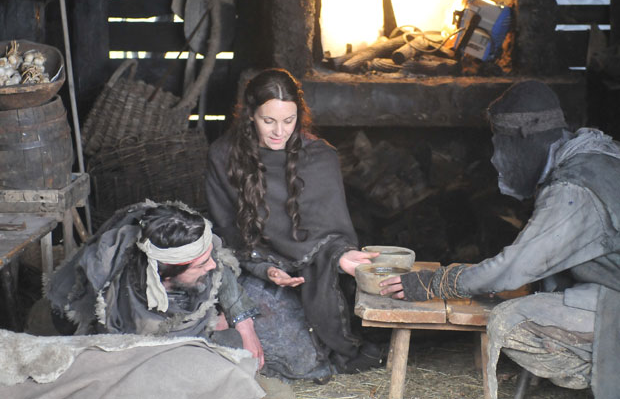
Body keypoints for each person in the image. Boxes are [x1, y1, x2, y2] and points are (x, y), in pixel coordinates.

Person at [380, 80, 620, 399]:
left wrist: (436, 282)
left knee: (509, 320)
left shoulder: (574, 190)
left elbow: (513, 269)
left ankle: (600, 371)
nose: (497, 157)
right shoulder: (595, 152)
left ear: (522, 139)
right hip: (609, 282)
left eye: (502, 143)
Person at [205, 68, 383, 378]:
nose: (279, 132)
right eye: (268, 121)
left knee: (309, 352)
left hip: (316, 278)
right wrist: (266, 269)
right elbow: (227, 235)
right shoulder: (223, 156)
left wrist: (340, 255)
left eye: (289, 121)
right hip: (253, 269)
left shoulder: (320, 157)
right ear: (250, 115)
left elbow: (330, 233)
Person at [45, 200, 264, 369]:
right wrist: (212, 325)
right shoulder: (131, 310)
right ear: (167, 275)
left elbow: (220, 265)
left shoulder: (172, 233)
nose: (212, 265)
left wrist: (243, 322)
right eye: (201, 264)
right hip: (79, 316)